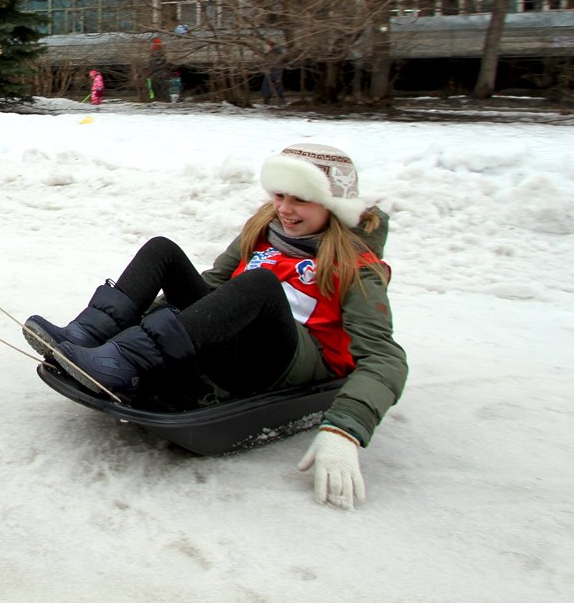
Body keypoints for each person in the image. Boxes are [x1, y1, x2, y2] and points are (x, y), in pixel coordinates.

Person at [24, 142, 405, 510]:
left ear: (332, 205)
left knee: (259, 284)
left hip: (284, 362)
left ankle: (124, 363)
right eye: (279, 196)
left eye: (300, 199)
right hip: (234, 340)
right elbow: (216, 287)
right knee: (163, 251)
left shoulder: (357, 267)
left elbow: (384, 357)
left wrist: (345, 430)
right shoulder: (264, 231)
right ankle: (89, 335)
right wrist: (142, 321)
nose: (284, 210)